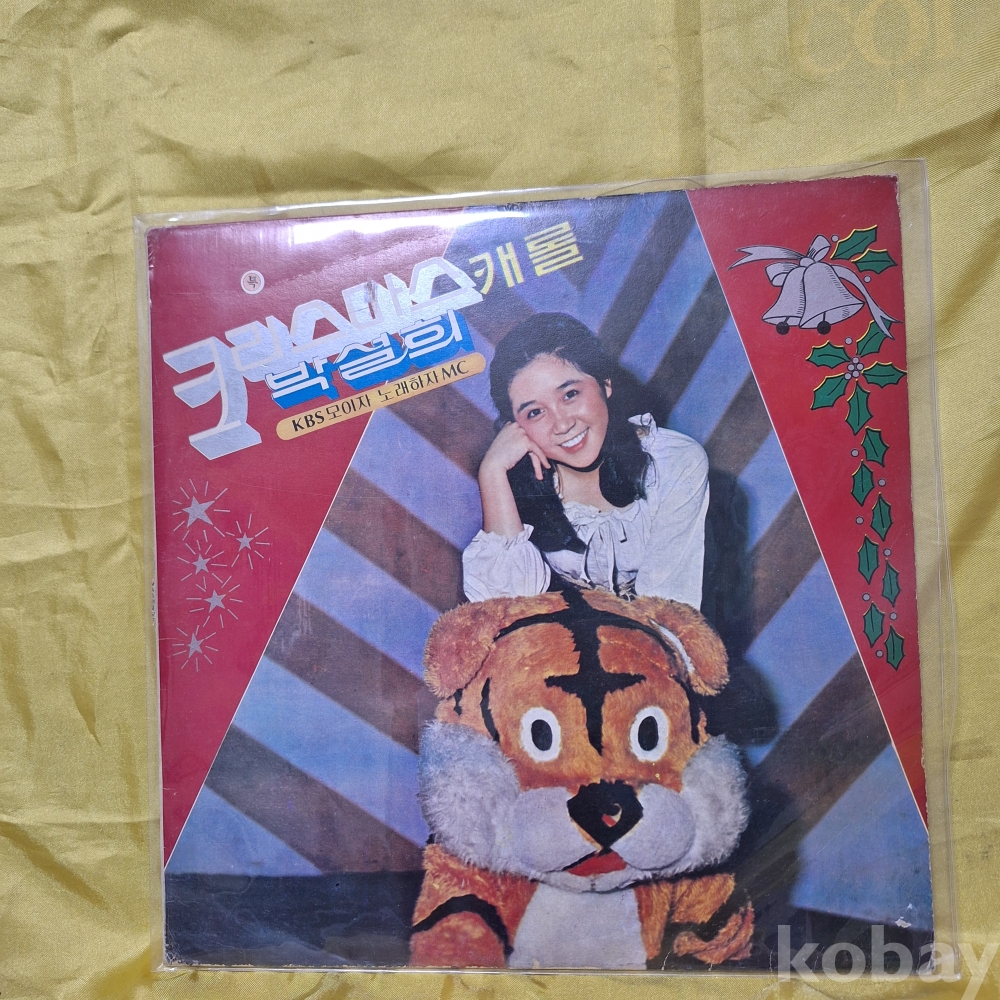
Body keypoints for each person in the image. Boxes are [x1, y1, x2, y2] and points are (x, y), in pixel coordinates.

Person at [463, 313, 709, 606]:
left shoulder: (672, 462)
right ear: (513, 428)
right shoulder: (516, 488)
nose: (562, 424)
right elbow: (508, 611)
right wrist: (491, 472)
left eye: (570, 394)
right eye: (535, 412)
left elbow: (671, 607)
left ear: (605, 383)